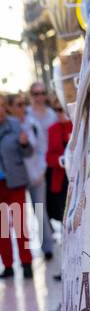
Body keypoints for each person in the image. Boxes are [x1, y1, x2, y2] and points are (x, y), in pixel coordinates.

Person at [0, 94, 34, 279]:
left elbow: (28, 152)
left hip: (15, 183)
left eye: (2, 106)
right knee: (2, 229)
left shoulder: (15, 125)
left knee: (20, 225)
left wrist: (25, 143)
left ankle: (26, 263)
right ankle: (8, 266)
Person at [24, 80, 57, 260]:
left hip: (44, 168)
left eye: (42, 93)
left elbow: (47, 145)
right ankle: (22, 257)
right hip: (23, 169)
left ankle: (47, 246)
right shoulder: (25, 114)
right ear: (31, 96)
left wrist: (43, 167)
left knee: (41, 208)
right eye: (35, 93)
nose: (39, 97)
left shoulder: (52, 115)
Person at [46, 102, 72, 229]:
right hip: (61, 180)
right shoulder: (52, 129)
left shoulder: (76, 125)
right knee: (64, 216)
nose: (59, 113)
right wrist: (61, 161)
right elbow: (49, 157)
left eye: (62, 109)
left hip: (75, 177)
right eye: (57, 110)